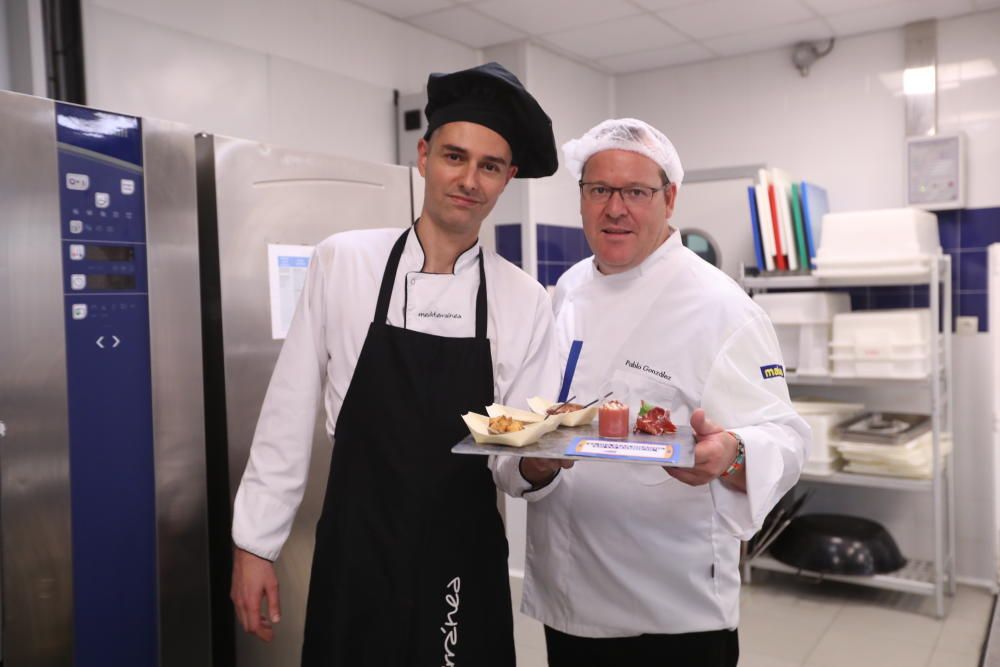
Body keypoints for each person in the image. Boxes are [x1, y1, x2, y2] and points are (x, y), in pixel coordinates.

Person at [229, 62, 561, 666]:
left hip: (462, 554)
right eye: (455, 156)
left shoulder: (525, 299)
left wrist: (541, 462)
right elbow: (287, 411)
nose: (469, 179)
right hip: (357, 547)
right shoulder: (343, 263)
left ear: (508, 178)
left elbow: (512, 471)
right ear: (424, 155)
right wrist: (255, 545)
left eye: (489, 166)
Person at [495, 118, 810, 666]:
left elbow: (785, 438)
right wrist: (531, 467)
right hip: (567, 598)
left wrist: (730, 454)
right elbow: (531, 421)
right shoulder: (566, 290)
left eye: (636, 191)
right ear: (581, 199)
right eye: (599, 190)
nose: (615, 208)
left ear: (669, 199)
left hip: (671, 614)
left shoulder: (721, 306)